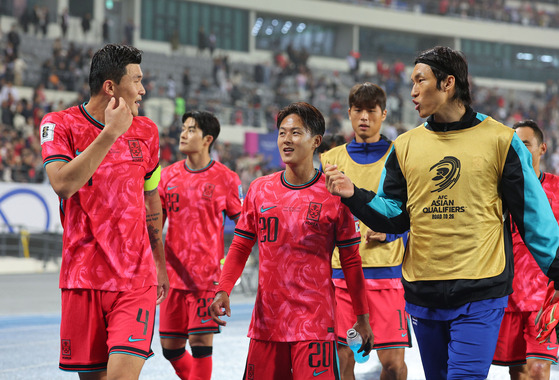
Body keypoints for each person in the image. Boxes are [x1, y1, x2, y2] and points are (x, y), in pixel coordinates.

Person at [324, 45, 559, 380]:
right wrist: (355, 195)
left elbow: (534, 217)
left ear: (448, 83)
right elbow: (394, 214)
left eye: (421, 80)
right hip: (423, 293)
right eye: (412, 83)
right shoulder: (405, 146)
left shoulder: (501, 140)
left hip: (481, 291)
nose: (413, 91)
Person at [209, 102, 374, 379]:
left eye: (296, 133)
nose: (286, 139)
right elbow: (240, 246)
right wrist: (223, 288)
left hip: (315, 325)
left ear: (316, 142)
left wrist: (362, 318)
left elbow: (351, 262)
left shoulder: (335, 194)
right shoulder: (260, 189)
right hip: (266, 324)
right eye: (282, 133)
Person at [40, 44, 169, 379]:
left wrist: (159, 262)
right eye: (136, 80)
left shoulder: (148, 132)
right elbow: (63, 184)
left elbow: (150, 197)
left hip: (135, 279)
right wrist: (111, 133)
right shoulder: (59, 124)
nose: (143, 89)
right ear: (110, 87)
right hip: (82, 278)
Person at [320, 82, 409, 380]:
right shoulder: (329, 160)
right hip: (342, 276)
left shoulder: (401, 155)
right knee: (344, 360)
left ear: (384, 114)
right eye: (358, 110)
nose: (364, 117)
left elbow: (416, 213)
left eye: (371, 111)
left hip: (388, 275)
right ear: (349, 113)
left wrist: (393, 233)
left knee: (394, 366)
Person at [158, 110, 243, 380]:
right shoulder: (167, 176)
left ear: (207, 139)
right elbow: (153, 227)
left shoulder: (226, 178)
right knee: (170, 350)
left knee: (201, 347)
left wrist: (229, 271)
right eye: (183, 128)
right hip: (172, 279)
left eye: (191, 129)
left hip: (206, 280)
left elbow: (243, 226)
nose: (183, 134)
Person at [492, 120, 559, 379]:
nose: (519, 150)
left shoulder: (556, 188)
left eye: (525, 144)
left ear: (542, 148)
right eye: (514, 146)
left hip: (544, 299)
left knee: (539, 369)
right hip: (508, 295)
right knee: (518, 371)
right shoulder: (498, 192)